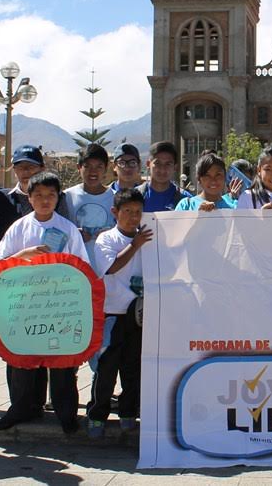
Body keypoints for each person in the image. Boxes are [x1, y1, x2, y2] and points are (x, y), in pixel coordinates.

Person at [0, 171, 89, 434]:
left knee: (61, 362)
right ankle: (20, 408)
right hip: (25, 307)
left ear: (58, 198)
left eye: (51, 195)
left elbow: (83, 267)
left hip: (59, 308)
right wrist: (24, 256)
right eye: (38, 195)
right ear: (29, 198)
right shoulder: (19, 227)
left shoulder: (68, 229)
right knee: (22, 359)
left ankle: (66, 413)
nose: (45, 200)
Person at [87, 188, 154, 438]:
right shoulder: (107, 239)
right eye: (127, 212)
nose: (133, 217)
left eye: (138, 212)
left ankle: (128, 412)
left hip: (138, 314)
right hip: (112, 313)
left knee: (132, 367)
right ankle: (96, 415)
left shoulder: (148, 237)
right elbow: (112, 267)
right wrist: (135, 246)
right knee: (106, 368)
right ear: (115, 212)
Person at [64, 143, 115, 270]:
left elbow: (125, 232)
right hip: (75, 270)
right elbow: (58, 229)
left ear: (106, 168)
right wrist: (74, 235)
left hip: (109, 270)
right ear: (79, 167)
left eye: (99, 166)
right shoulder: (66, 197)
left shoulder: (116, 198)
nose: (93, 171)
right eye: (87, 166)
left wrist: (111, 234)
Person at [143, 141, 192, 212]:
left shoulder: (186, 200)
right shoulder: (135, 197)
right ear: (148, 164)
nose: (162, 169)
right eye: (157, 163)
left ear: (175, 167)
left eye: (168, 164)